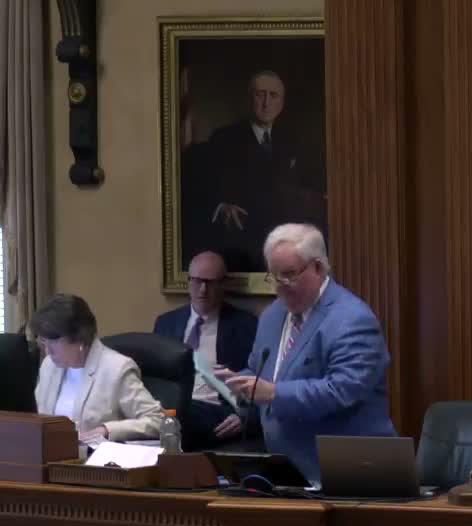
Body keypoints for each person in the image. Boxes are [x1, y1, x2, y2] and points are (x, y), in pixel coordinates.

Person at [220, 224, 395, 485]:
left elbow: (342, 389)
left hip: (351, 474)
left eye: (289, 274)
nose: (279, 286)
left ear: (319, 268)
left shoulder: (352, 318)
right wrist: (238, 383)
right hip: (288, 473)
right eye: (274, 276)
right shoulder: (272, 315)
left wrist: (274, 394)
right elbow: (260, 372)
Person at [203, 70, 327, 273]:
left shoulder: (294, 140)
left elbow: (309, 185)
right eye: (259, 94)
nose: (266, 103)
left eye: (273, 95)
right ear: (248, 99)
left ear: (282, 103)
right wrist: (221, 206)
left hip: (286, 247)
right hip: (242, 243)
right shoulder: (224, 139)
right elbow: (204, 187)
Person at [153, 251, 259, 450]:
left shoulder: (245, 326)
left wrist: (246, 417)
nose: (203, 290)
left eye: (210, 283)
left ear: (223, 284)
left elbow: (260, 377)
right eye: (197, 281)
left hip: (215, 410)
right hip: (171, 408)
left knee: (178, 417)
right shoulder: (166, 323)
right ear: (188, 282)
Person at [31, 294, 166, 442]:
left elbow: (158, 420)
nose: (48, 351)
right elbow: (37, 417)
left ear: (79, 338)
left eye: (54, 341)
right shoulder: (49, 366)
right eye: (44, 341)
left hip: (96, 455)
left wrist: (106, 430)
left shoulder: (116, 369)